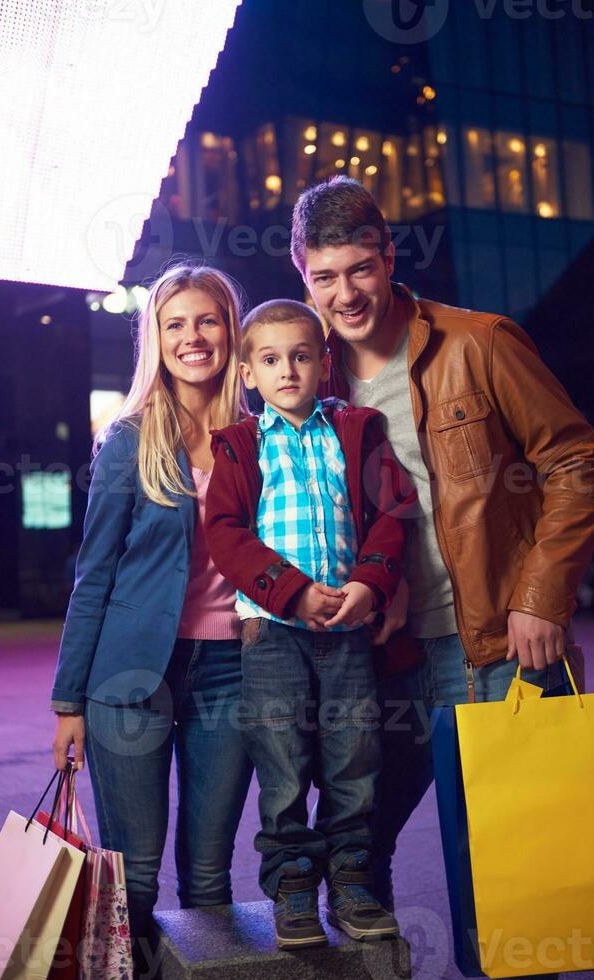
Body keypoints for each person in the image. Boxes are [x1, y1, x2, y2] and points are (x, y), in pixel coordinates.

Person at [290, 177, 594, 923]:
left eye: (361, 268)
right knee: (356, 847)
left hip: (498, 646)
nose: (346, 293)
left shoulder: (479, 341)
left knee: (518, 862)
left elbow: (577, 460)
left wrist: (541, 597)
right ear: (303, 276)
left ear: (388, 254)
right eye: (325, 277)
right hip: (382, 654)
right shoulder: (305, 374)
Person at [51, 264, 254, 966]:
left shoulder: (263, 439)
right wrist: (67, 701)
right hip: (128, 673)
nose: (192, 337)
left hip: (231, 671)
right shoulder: (129, 441)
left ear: (230, 330)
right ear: (155, 340)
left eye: (207, 321)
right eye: (175, 324)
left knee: (209, 873)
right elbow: (94, 576)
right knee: (133, 876)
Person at [204, 299, 416, 949]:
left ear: (325, 364)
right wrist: (291, 593)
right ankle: (293, 886)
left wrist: (367, 584)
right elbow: (225, 534)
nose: (287, 370)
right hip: (273, 633)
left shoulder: (357, 429)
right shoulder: (240, 445)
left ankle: (349, 882)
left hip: (348, 632)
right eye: (270, 360)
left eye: (301, 356)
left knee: (356, 760)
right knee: (285, 765)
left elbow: (393, 513)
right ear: (248, 374)